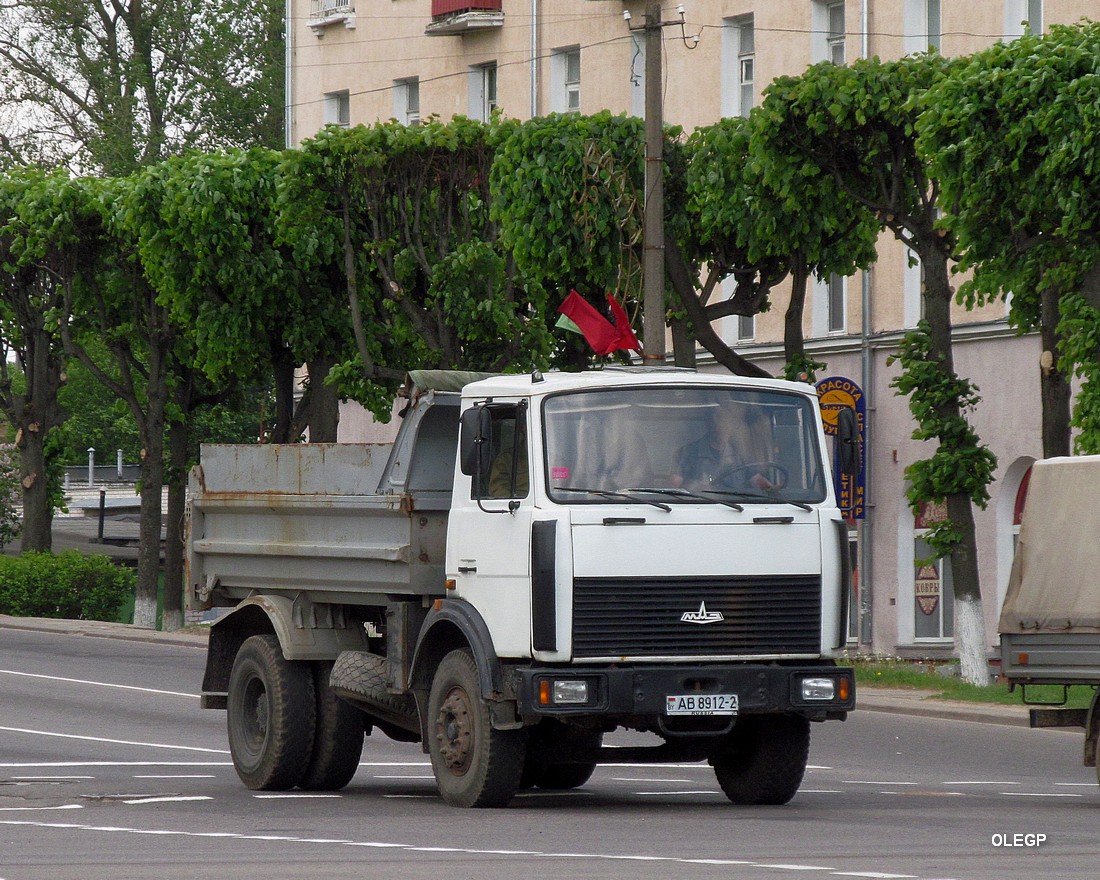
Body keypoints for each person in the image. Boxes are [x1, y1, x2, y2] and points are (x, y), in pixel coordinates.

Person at [678, 404, 776, 492]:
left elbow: (755, 478)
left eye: (725, 421)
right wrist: (694, 486)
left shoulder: (742, 452)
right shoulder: (688, 452)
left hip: (738, 507)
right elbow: (676, 482)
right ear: (708, 424)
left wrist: (768, 488)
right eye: (716, 421)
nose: (721, 426)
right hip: (698, 506)